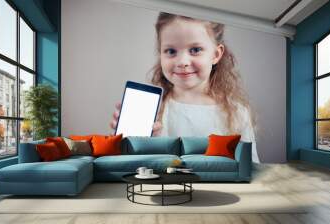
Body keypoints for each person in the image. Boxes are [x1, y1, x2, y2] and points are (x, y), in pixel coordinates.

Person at [110, 12, 259, 163]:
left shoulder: (237, 112)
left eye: (195, 50)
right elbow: (134, 165)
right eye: (171, 51)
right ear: (160, 54)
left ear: (215, 54)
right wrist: (129, 144)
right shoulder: (151, 111)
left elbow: (251, 167)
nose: (182, 61)